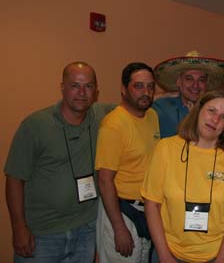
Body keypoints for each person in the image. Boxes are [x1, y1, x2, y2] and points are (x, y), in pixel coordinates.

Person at [4, 62, 114, 262]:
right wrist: (18, 228)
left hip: (85, 230)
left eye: (88, 86)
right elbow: (14, 179)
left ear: (96, 91)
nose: (82, 93)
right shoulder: (35, 125)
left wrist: (175, 95)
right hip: (42, 234)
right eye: (74, 85)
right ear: (62, 87)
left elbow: (137, 103)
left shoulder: (103, 116)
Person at [142, 91, 224, 263]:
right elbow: (152, 204)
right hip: (169, 252)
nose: (215, 120)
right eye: (211, 110)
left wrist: (222, 259)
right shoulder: (165, 148)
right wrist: (164, 255)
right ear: (198, 111)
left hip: (218, 254)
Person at [95, 62, 160, 263]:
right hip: (121, 211)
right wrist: (119, 228)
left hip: (145, 210)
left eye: (150, 86)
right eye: (138, 86)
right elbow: (104, 180)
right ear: (124, 89)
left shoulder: (152, 115)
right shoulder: (114, 125)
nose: (146, 92)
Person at [153, 50, 224, 138]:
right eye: (189, 79)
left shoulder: (215, 111)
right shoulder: (161, 107)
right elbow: (139, 104)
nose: (195, 85)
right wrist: (165, 95)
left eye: (201, 80)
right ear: (179, 81)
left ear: (206, 84)